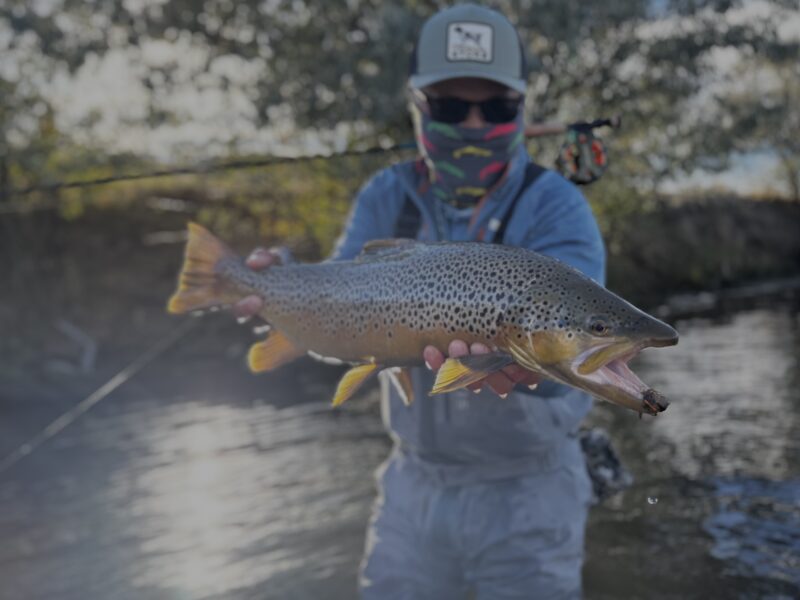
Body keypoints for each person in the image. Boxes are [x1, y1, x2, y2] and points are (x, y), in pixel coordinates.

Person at [234, 4, 605, 598]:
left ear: (522, 108)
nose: (476, 122)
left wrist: (522, 366)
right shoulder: (386, 194)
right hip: (412, 487)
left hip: (530, 494)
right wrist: (282, 285)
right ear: (417, 108)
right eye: (453, 107)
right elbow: (339, 311)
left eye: (499, 107)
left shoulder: (557, 206)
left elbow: (574, 354)